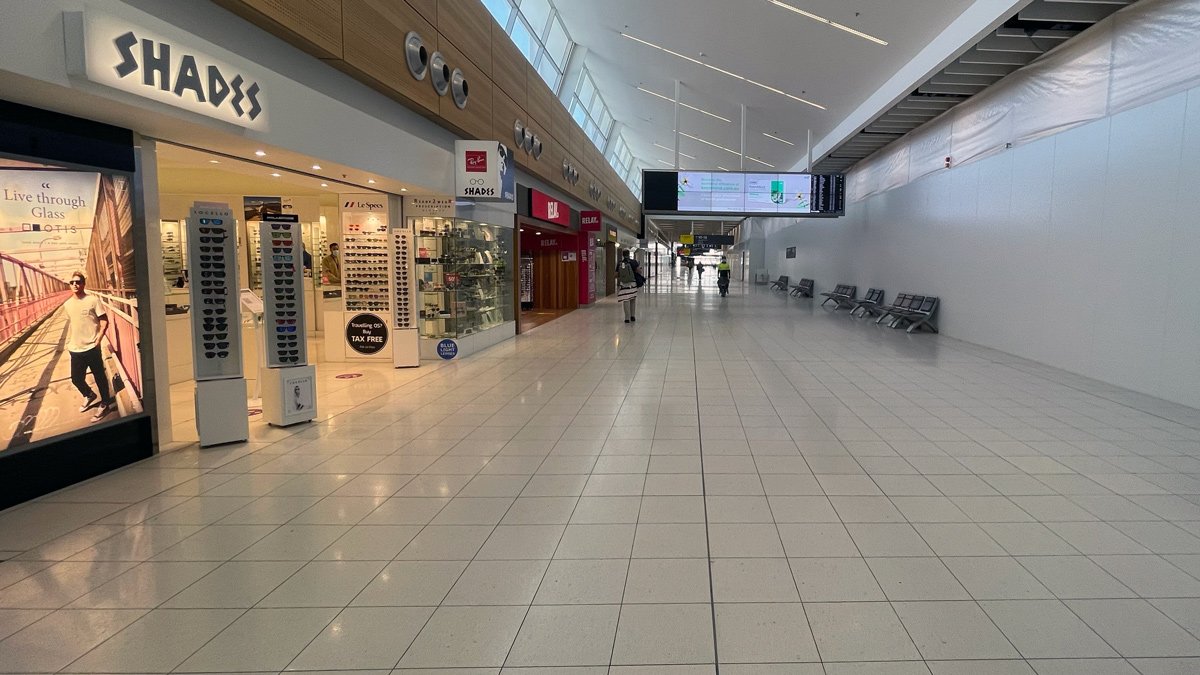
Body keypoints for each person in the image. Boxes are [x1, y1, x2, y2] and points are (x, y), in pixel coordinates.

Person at [64, 272, 113, 422]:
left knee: (99, 376)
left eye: (78, 282)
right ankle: (89, 395)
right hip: (75, 348)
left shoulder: (93, 300)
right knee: (76, 379)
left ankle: (105, 403)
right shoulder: (67, 305)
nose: (74, 284)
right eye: (72, 282)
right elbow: (75, 324)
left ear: (83, 284)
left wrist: (98, 339)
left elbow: (104, 321)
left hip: (92, 346)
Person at [616, 249, 640, 324]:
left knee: (625, 299)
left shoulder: (620, 263)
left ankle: (627, 318)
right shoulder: (634, 262)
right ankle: (632, 316)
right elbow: (639, 271)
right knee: (632, 299)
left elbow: (616, 274)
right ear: (629, 254)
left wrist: (622, 277)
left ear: (623, 255)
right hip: (632, 283)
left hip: (624, 284)